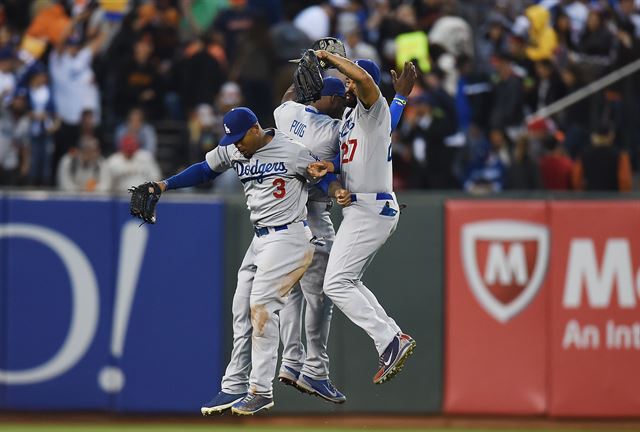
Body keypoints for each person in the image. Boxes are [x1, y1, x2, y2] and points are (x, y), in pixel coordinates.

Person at [153, 107, 350, 416]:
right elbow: (205, 169)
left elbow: (321, 177)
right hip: (260, 239)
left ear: (256, 129)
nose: (236, 144)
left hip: (290, 237)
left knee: (261, 306)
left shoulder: (292, 150)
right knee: (241, 308)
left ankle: (260, 389)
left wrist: (336, 189)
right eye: (231, 138)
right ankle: (234, 384)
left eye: (240, 137)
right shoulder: (234, 148)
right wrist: (164, 185)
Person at [307, 52, 416, 385]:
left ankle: (389, 341)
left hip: (371, 207)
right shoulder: (356, 117)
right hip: (362, 207)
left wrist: (330, 57)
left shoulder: (373, 106)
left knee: (336, 283)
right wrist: (332, 169)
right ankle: (393, 337)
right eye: (346, 80)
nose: (348, 84)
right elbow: (372, 144)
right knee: (346, 282)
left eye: (350, 79)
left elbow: (368, 83)